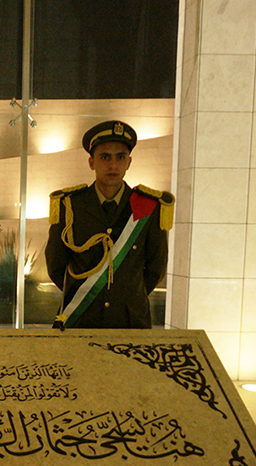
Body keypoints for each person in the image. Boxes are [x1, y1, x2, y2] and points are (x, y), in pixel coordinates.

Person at [44, 120, 174, 329]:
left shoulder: (148, 207)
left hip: (130, 320)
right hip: (81, 317)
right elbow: (56, 264)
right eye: (105, 157)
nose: (113, 165)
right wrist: (83, 293)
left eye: (120, 157)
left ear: (129, 162)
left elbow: (155, 268)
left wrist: (126, 296)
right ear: (91, 162)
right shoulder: (70, 205)